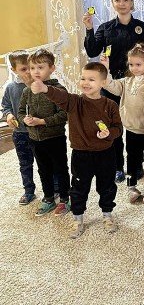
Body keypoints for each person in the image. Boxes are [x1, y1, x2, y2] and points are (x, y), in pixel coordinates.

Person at [31, 62, 122, 238]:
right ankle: (78, 218)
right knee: (79, 188)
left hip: (106, 154)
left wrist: (109, 133)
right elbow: (60, 96)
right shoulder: (74, 102)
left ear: (103, 83)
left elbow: (118, 128)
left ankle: (107, 214)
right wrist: (45, 89)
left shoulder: (110, 105)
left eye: (91, 79)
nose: (85, 83)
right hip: (81, 155)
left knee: (107, 186)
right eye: (83, 78)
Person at [83, 0, 144, 184]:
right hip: (111, 84)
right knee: (113, 127)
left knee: (136, 127)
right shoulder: (105, 28)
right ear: (112, 4)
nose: (122, 4)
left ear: (132, 3)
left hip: (137, 86)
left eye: (126, 0)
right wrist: (89, 28)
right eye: (117, 0)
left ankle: (137, 164)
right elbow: (92, 51)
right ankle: (117, 166)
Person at [101, 43, 144, 204]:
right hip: (131, 129)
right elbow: (110, 85)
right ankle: (131, 188)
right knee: (132, 158)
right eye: (131, 64)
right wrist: (106, 69)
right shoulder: (126, 81)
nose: (134, 68)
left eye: (138, 64)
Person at [17, 49, 70, 217]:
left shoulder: (58, 89)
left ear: (52, 68)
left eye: (40, 67)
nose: (36, 71)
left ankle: (65, 198)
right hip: (35, 139)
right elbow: (20, 112)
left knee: (60, 168)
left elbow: (64, 115)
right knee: (43, 169)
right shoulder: (27, 91)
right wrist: (25, 120)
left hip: (55, 137)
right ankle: (48, 198)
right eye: (32, 68)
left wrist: (41, 121)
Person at [1, 51, 36, 205]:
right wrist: (9, 115)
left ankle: (55, 188)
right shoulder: (10, 87)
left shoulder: (38, 84)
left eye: (30, 67)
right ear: (14, 70)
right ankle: (29, 191)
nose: (28, 72)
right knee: (25, 164)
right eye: (23, 69)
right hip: (20, 133)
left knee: (46, 162)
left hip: (38, 132)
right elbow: (6, 105)